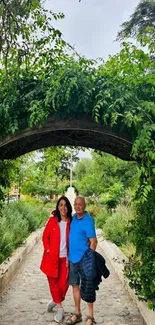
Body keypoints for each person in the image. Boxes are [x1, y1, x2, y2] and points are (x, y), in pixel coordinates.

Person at [40, 196, 72, 323]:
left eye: (65, 205)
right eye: (60, 205)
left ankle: (55, 300)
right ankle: (60, 309)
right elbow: (45, 237)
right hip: (52, 258)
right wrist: (48, 249)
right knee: (53, 284)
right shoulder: (53, 221)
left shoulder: (71, 221)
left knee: (64, 285)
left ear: (68, 207)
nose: (63, 208)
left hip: (65, 259)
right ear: (58, 207)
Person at [66, 196, 98, 325]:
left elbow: (93, 241)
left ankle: (90, 316)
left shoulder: (88, 220)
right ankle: (77, 313)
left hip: (84, 260)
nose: (78, 206)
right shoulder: (73, 218)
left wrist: (89, 258)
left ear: (84, 205)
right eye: (76, 204)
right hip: (72, 259)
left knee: (88, 287)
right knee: (75, 286)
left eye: (80, 204)